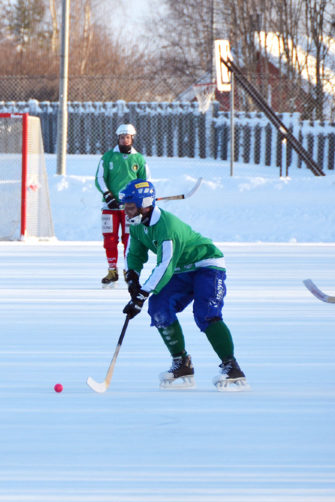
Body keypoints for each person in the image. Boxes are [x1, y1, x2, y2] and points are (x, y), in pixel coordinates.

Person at [119, 179, 249, 392]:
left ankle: (232, 367)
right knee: (158, 307)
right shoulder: (136, 225)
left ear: (144, 205)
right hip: (182, 269)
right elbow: (133, 253)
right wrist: (132, 279)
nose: (126, 211)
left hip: (207, 264)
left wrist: (142, 295)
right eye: (125, 206)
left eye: (130, 207)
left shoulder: (166, 227)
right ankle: (182, 363)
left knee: (206, 312)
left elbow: (165, 265)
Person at [95, 124, 150, 288]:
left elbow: (145, 182)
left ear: (132, 138)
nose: (124, 140)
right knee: (110, 239)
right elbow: (99, 178)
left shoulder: (138, 159)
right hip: (109, 207)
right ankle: (112, 271)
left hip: (130, 208)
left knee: (129, 239)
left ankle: (128, 271)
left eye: (127, 137)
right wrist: (107, 195)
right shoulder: (108, 156)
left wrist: (138, 200)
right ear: (118, 138)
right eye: (121, 137)